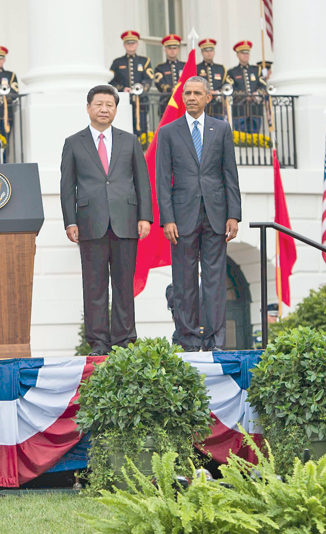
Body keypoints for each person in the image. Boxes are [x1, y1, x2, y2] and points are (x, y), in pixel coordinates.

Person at [60, 85, 152, 356]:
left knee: (124, 286)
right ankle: (98, 343)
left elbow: (142, 182)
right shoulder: (73, 142)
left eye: (109, 105)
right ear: (88, 108)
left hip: (126, 221)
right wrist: (70, 221)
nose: (104, 109)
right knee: (94, 286)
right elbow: (67, 186)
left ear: (115, 109)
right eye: (99, 104)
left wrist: (145, 217)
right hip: (90, 223)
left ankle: (125, 341)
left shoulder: (130, 141)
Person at [156, 76, 242, 352]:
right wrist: (167, 218)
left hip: (216, 214)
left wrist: (234, 214)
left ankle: (215, 340)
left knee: (215, 280)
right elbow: (162, 179)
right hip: (181, 217)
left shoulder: (222, 129)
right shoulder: (168, 132)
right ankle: (188, 339)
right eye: (187, 93)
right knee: (184, 281)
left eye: (196, 93)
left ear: (208, 97)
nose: (191, 97)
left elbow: (230, 173)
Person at [109, 30, 153, 138]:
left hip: (141, 101)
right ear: (124, 45)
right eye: (128, 43)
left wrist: (140, 88)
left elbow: (148, 78)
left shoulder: (144, 61)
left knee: (142, 128)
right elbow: (111, 81)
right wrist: (122, 89)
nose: (130, 45)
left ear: (137, 44)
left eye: (133, 43)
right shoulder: (117, 62)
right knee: (124, 128)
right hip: (123, 101)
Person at [227, 41, 267, 133]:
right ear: (238, 55)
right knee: (241, 136)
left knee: (255, 135)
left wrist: (256, 94)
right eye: (243, 53)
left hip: (255, 108)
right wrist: (245, 95)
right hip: (240, 109)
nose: (245, 55)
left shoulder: (257, 70)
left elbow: (263, 85)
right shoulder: (232, 72)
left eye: (247, 53)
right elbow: (231, 89)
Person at [153, 34, 185, 114]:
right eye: (170, 48)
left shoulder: (185, 66)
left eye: (174, 48)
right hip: (166, 103)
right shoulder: (160, 68)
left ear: (178, 50)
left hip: (183, 103)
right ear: (165, 50)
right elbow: (159, 83)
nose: (172, 50)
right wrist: (171, 89)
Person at [196, 39, 227, 120]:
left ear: (214, 52)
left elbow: (226, 85)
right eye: (206, 51)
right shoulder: (196, 68)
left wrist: (218, 92)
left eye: (211, 50)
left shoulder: (221, 68)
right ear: (202, 52)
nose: (209, 53)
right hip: (202, 107)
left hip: (218, 107)